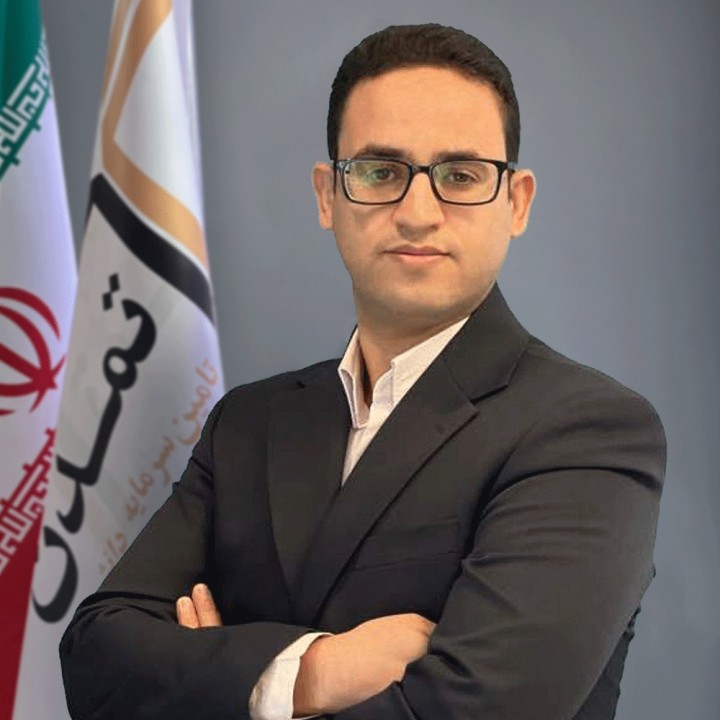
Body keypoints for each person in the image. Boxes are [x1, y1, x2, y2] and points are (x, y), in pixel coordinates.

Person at [59, 23, 665, 720]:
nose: (418, 213)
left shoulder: (587, 431)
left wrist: (223, 680)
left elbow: (476, 710)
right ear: (328, 195)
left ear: (516, 201)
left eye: (461, 175)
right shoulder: (248, 425)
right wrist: (314, 673)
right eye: (380, 172)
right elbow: (94, 659)